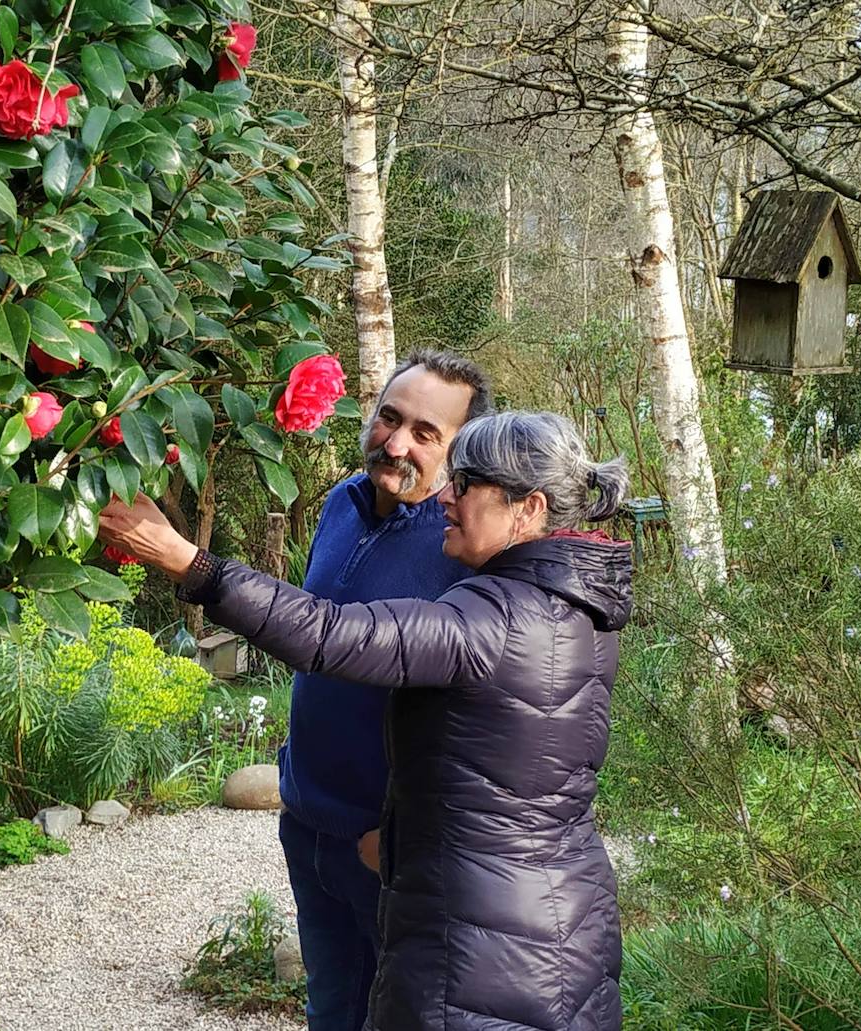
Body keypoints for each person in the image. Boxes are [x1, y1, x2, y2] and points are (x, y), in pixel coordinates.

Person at [99, 410, 632, 1031]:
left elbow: (332, 635)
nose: (448, 499)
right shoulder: (573, 606)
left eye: (467, 485)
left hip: (483, 944)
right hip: (554, 913)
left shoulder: (498, 619)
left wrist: (191, 564)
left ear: (528, 507)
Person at [275, 350, 491, 1031]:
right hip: (307, 822)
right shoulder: (340, 502)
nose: (396, 443)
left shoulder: (461, 552)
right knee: (330, 1007)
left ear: (458, 453)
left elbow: (469, 723)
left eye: (425, 433)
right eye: (388, 418)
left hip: (381, 850)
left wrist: (395, 837)